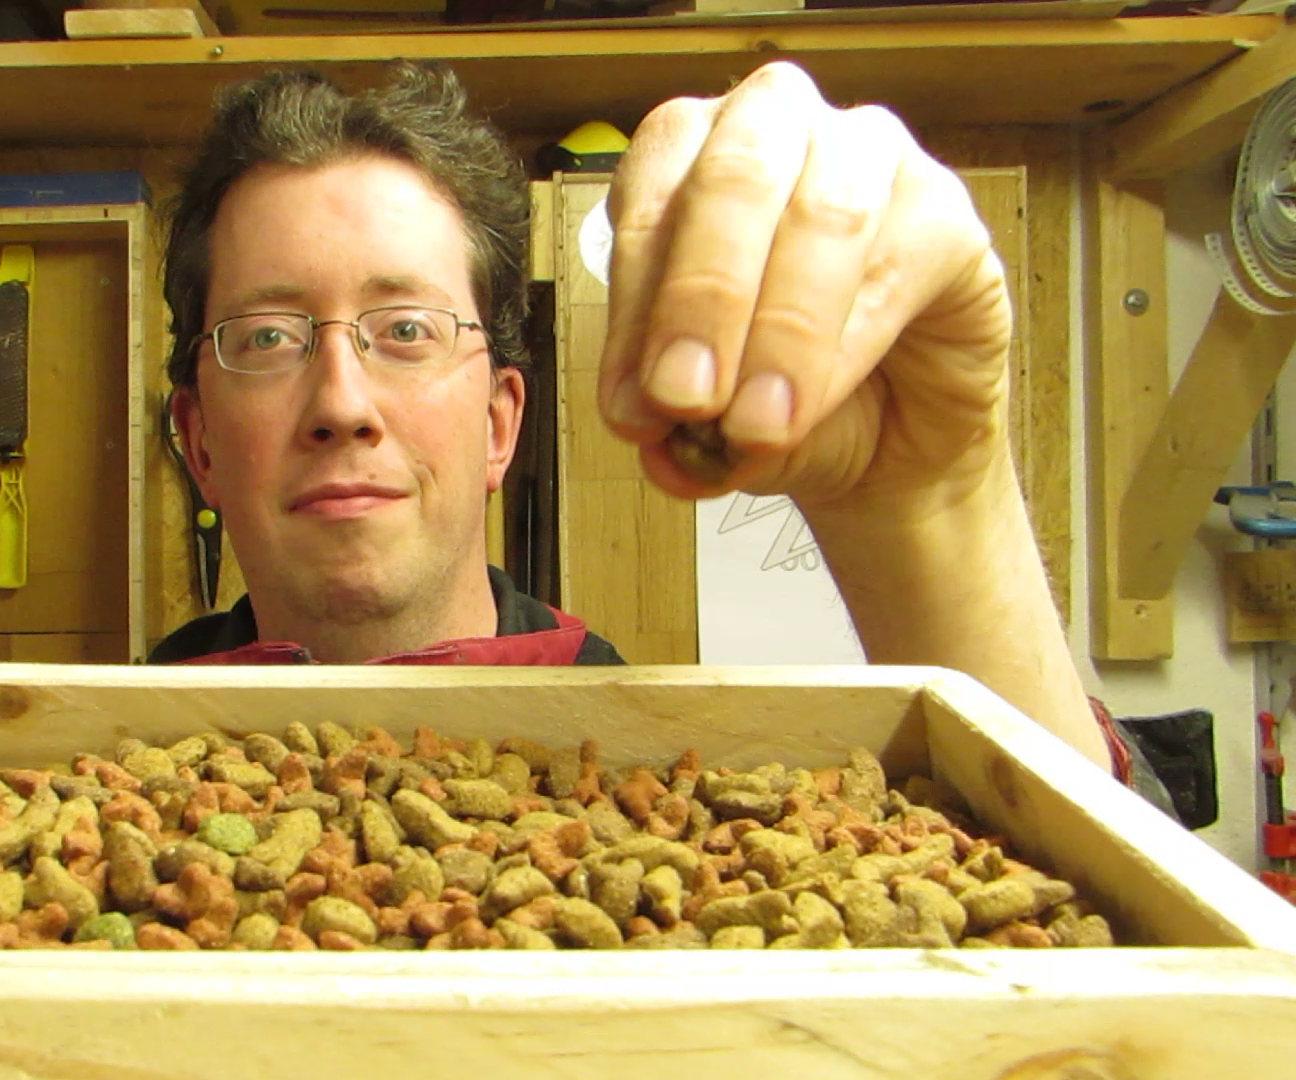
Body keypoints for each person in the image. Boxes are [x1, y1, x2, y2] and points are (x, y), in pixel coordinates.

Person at [148, 59, 1121, 778]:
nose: (341, 405)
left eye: (406, 329)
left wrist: (934, 499)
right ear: (199, 444)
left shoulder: (665, 764)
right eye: (267, 338)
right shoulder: (102, 756)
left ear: (499, 426)